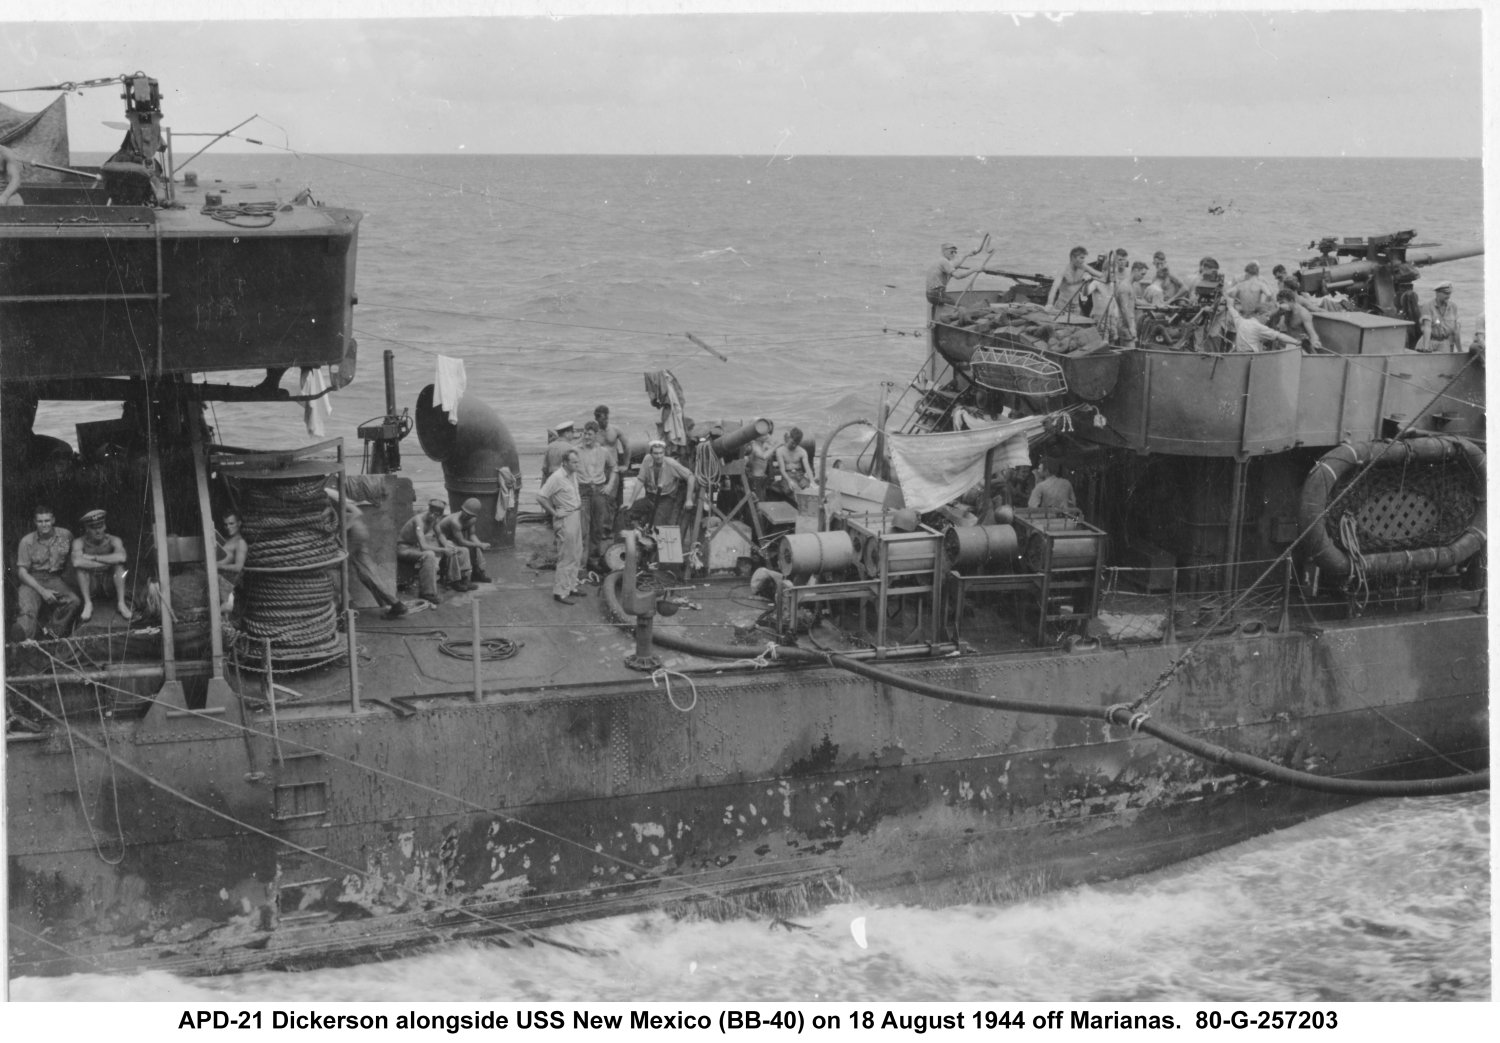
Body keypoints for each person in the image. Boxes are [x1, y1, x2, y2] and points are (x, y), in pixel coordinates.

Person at [11, 504, 81, 641]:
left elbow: (74, 557)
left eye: (47, 520)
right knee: (28, 609)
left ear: (53, 520)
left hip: (54, 578)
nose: (44, 525)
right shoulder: (26, 541)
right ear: (35, 522)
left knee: (74, 601)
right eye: (40, 521)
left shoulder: (66, 535)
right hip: (32, 579)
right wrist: (42, 591)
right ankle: (23, 639)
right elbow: (22, 573)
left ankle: (50, 633)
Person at [332, 495, 406, 619]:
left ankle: (348, 604)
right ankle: (396, 604)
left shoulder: (328, 494)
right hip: (357, 531)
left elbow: (356, 512)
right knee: (366, 571)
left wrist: (341, 531)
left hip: (352, 533)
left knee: (333, 567)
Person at [537, 448, 584, 605]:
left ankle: (571, 586)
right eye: (574, 462)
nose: (577, 465)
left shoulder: (572, 474)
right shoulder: (556, 477)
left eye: (577, 462)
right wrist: (554, 512)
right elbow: (541, 497)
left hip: (575, 515)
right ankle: (560, 592)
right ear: (565, 463)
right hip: (565, 518)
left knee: (576, 553)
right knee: (566, 556)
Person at [70, 508, 132, 623]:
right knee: (80, 570)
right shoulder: (79, 542)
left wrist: (93, 558)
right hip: (91, 584)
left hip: (109, 583)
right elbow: (77, 562)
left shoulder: (113, 540)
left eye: (100, 526)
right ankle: (88, 604)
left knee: (119, 568)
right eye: (93, 528)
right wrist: (108, 562)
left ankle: (121, 603)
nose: (98, 531)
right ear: (87, 529)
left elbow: (122, 557)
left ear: (105, 526)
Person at [574, 421, 616, 569]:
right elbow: (566, 470)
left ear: (596, 435)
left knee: (597, 528)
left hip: (599, 491)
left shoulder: (604, 451)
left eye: (590, 434)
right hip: (582, 491)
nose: (586, 437)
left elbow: (614, 468)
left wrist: (609, 485)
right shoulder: (575, 451)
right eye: (584, 433)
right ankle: (581, 563)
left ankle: (593, 561)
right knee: (583, 529)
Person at [396, 498, 451, 602]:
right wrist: (443, 550)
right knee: (429, 554)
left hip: (414, 547)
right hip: (403, 548)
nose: (433, 516)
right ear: (429, 510)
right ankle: (427, 593)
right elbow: (423, 546)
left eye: (437, 515)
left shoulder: (434, 520)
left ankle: (451, 581)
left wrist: (447, 545)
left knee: (448, 547)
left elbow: (440, 534)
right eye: (432, 513)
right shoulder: (419, 521)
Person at [637, 438, 696, 526]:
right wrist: (630, 501)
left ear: (664, 453)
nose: (659, 456)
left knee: (657, 525)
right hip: (651, 497)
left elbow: (691, 476)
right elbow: (640, 480)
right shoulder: (647, 460)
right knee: (627, 512)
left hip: (666, 499)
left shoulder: (671, 463)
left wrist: (689, 499)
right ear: (651, 454)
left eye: (661, 453)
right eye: (656, 453)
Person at [438, 498, 492, 586]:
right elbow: (461, 542)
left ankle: (477, 572)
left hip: (455, 538)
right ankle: (457, 579)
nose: (465, 516)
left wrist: (480, 545)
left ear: (473, 515)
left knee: (477, 548)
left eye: (469, 515)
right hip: (444, 539)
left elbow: (472, 535)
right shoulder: (455, 521)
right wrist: (480, 544)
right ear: (462, 509)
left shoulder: (472, 519)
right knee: (462, 551)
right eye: (465, 512)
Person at [925, 242, 995, 307]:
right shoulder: (944, 261)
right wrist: (974, 269)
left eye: (955, 252)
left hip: (930, 295)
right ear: (944, 251)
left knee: (956, 305)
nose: (953, 254)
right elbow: (958, 276)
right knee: (960, 308)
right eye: (951, 252)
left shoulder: (940, 261)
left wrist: (966, 256)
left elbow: (955, 265)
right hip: (937, 295)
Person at [1046, 246, 1103, 317]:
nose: (1083, 261)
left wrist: (1091, 277)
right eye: (1081, 258)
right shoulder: (1063, 270)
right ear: (1073, 257)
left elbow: (1101, 275)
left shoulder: (1083, 267)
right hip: (1062, 306)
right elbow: (1054, 288)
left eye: (1084, 258)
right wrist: (1049, 304)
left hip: (1076, 308)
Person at [1225, 300, 1301, 352]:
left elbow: (1233, 311)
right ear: (1258, 314)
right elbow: (1279, 336)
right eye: (1266, 316)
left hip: (1239, 356)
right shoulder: (1259, 327)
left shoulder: (1240, 321)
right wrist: (1296, 342)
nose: (1268, 319)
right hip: (1251, 357)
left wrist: (1229, 304)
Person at [216, 510, 248, 609]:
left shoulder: (240, 542)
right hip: (217, 577)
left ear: (239, 523)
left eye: (231, 523)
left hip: (227, 581)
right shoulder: (227, 540)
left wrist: (217, 566)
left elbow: (238, 567)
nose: (228, 527)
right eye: (226, 525)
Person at [1420, 281, 1462, 353]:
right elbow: (1427, 327)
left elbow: (1456, 331)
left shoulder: (1453, 307)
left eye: (1449, 293)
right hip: (1430, 341)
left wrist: (1460, 350)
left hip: (1444, 343)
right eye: (1445, 293)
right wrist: (1425, 348)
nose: (1448, 296)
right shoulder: (1428, 306)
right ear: (1437, 293)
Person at [771, 427, 813, 499]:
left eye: (796, 444)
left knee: (808, 488)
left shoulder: (802, 451)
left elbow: (808, 468)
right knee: (792, 489)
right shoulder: (780, 451)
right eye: (792, 442)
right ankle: (798, 503)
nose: (794, 445)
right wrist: (789, 480)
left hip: (800, 475)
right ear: (789, 438)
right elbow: (782, 470)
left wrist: (812, 482)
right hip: (787, 475)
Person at [743, 425, 776, 501]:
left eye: (768, 434)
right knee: (758, 499)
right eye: (764, 434)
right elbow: (763, 456)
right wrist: (776, 446)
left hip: (762, 477)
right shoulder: (754, 445)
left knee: (762, 496)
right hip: (755, 478)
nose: (767, 436)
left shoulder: (762, 445)